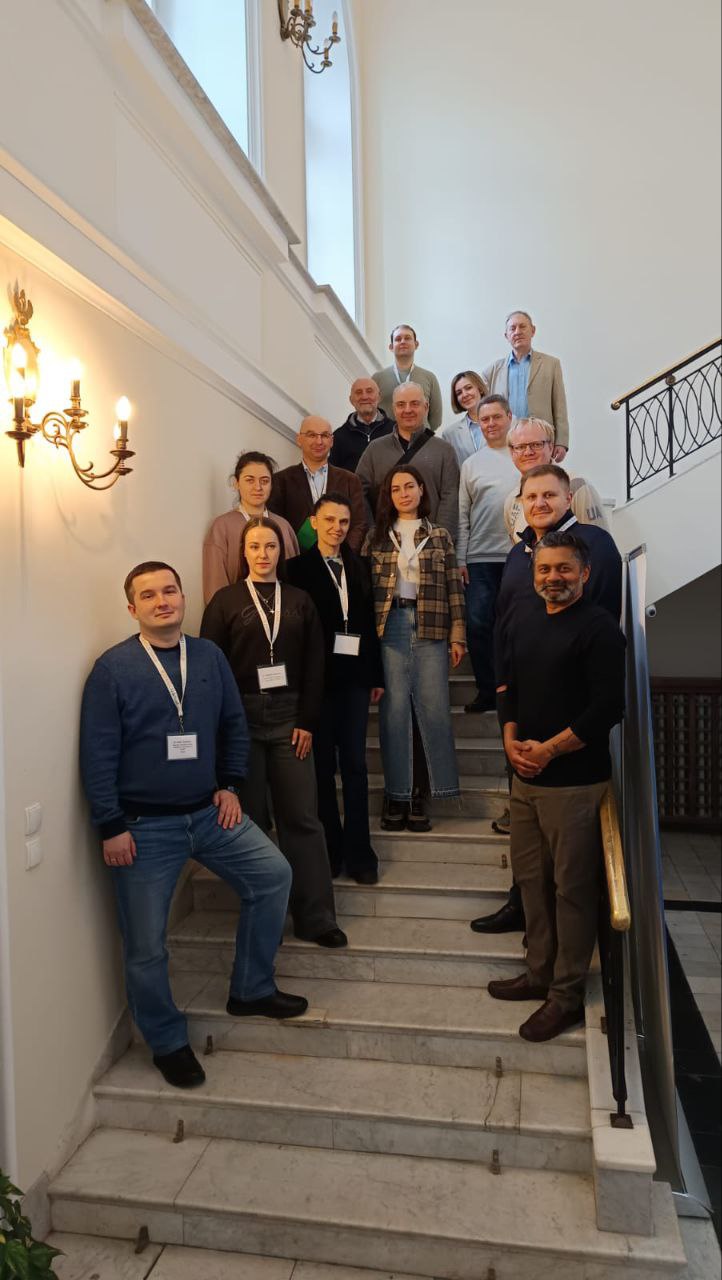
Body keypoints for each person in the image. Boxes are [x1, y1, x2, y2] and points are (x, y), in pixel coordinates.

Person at [79, 561, 308, 1091]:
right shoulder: (112, 669)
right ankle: (166, 1041)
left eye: (170, 590)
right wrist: (110, 825)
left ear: (183, 597)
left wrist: (230, 783)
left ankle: (251, 989)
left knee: (273, 875)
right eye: (149, 595)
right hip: (142, 828)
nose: (163, 601)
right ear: (132, 608)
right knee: (145, 944)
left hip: (209, 812)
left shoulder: (208, 656)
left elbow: (233, 724)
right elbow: (98, 754)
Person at [471, 464, 622, 935]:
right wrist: (507, 717)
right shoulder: (519, 553)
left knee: (570, 869)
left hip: (571, 726)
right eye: (530, 496)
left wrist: (557, 739)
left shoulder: (595, 545)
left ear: (567, 498)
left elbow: (596, 628)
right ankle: (521, 904)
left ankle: (567, 941)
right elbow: (504, 626)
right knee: (529, 847)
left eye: (549, 495)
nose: (539, 503)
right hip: (523, 714)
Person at [488, 531, 626, 1042]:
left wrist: (548, 749)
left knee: (572, 890)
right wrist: (510, 740)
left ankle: (565, 996)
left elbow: (608, 708)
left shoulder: (600, 629)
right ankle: (538, 972)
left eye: (564, 569)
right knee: (531, 881)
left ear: (584, 573)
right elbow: (509, 688)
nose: (553, 578)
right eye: (545, 569)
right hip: (524, 779)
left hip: (574, 784)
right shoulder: (524, 618)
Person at [200, 518, 347, 948]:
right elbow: (211, 671)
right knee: (249, 822)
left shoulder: (300, 600)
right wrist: (223, 732)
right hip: (241, 720)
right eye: (254, 546)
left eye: (270, 546)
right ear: (243, 552)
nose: (262, 554)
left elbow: (316, 664)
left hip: (290, 720)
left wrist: (307, 721)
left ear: (281, 551)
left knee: (302, 818)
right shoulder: (224, 601)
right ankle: (264, 919)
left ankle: (316, 917)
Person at [287, 494, 385, 884]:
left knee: (356, 766)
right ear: (314, 522)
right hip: (317, 683)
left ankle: (360, 852)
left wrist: (375, 675)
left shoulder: (360, 565)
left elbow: (368, 623)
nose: (337, 528)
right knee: (323, 767)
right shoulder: (296, 569)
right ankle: (330, 848)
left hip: (355, 681)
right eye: (329, 520)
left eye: (343, 522)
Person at [364, 465, 466, 833]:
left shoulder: (439, 536)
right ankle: (396, 795)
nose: (404, 493)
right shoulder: (377, 537)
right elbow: (364, 593)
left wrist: (458, 635)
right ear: (388, 496)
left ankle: (422, 792)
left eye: (410, 486)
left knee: (432, 710)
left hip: (431, 624)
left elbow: (454, 586)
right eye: (396, 489)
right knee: (394, 713)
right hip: (389, 626)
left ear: (422, 490)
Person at [456, 396, 519, 714]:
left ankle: (517, 689)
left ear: (509, 416)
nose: (491, 424)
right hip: (479, 558)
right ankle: (487, 690)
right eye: (485, 419)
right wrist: (461, 558)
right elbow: (462, 515)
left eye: (496, 417)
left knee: (516, 625)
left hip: (517, 555)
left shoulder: (521, 456)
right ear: (478, 423)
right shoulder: (471, 464)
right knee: (479, 624)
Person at [356, 383, 461, 540]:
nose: (407, 410)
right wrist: (373, 532)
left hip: (431, 543)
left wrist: (440, 539)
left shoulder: (444, 450)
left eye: (414, 403)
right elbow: (358, 492)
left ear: (426, 407)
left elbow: (451, 497)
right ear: (393, 409)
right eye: (401, 405)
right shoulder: (375, 449)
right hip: (386, 544)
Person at [202, 451, 299, 604]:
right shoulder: (221, 527)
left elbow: (295, 581)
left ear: (271, 485)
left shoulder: (284, 526)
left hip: (283, 611)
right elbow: (215, 589)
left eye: (264, 481)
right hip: (237, 613)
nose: (258, 487)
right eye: (250, 480)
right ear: (236, 483)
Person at [268, 417, 367, 552]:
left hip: (340, 558)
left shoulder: (350, 480)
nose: (319, 441)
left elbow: (359, 524)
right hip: (297, 559)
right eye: (312, 435)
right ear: (299, 439)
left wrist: (343, 555)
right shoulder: (280, 481)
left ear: (331, 441)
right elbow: (276, 524)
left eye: (324, 436)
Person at [483, 311, 570, 460]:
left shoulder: (551, 364)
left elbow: (559, 405)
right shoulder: (493, 370)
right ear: (506, 336)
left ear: (533, 331)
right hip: (507, 443)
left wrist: (561, 442)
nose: (517, 332)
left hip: (540, 441)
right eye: (512, 328)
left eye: (522, 327)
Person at [504, 419, 609, 539]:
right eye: (520, 447)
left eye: (536, 445)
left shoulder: (577, 486)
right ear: (511, 452)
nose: (528, 452)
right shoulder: (512, 500)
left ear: (551, 447)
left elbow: (598, 541)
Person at [372, 324, 443, 431]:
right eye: (398, 339)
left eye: (407, 338)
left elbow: (435, 420)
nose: (403, 341)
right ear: (391, 347)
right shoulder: (377, 379)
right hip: (387, 438)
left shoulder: (429, 377)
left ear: (416, 344)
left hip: (420, 439)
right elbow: (372, 413)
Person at [329, 377, 394, 472]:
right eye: (359, 392)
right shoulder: (338, 437)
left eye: (369, 391)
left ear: (379, 397)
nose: (364, 397)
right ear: (351, 400)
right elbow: (333, 475)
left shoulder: (395, 430)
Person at [438, 370, 490, 466]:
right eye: (459, 393)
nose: (465, 395)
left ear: (480, 389)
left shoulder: (505, 422)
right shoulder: (449, 434)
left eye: (468, 388)